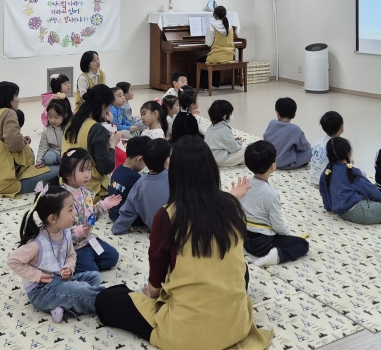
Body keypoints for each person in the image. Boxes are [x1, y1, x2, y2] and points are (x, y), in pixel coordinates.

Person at [94, 136, 272, 350]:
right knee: (239, 268)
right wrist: (233, 197)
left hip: (187, 334)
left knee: (107, 299)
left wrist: (149, 293)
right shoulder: (232, 206)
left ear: (173, 170)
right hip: (236, 325)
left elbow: (155, 287)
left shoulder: (167, 216)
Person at [7, 183, 104, 323]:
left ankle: (61, 305)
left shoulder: (66, 232)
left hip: (61, 281)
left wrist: (69, 268)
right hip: (41, 292)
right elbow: (13, 261)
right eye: (70, 210)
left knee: (94, 277)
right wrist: (37, 275)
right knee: (76, 289)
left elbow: (71, 255)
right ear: (53, 218)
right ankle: (106, 300)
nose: (75, 213)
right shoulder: (37, 244)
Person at [0, 81, 58, 197]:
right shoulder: (8, 113)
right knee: (59, 170)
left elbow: (0, 141)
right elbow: (14, 145)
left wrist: (20, 139)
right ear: (7, 98)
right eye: (16, 96)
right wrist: (21, 142)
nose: (18, 100)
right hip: (5, 183)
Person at [241, 140, 309, 266]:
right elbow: (277, 224)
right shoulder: (271, 194)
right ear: (273, 166)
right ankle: (275, 257)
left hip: (245, 239)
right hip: (263, 244)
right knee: (302, 244)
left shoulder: (244, 185)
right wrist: (286, 234)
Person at [59, 148, 121, 273]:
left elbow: (91, 217)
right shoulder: (60, 197)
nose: (87, 174)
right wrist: (78, 231)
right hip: (71, 246)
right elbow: (56, 230)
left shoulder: (87, 193)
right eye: (82, 170)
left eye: (89, 169)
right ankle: (71, 263)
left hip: (88, 240)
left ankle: (87, 263)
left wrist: (104, 205)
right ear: (68, 174)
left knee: (113, 257)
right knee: (91, 270)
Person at [319, 137, 381, 225]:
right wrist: (378, 201)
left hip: (342, 211)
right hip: (361, 212)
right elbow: (371, 191)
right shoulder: (352, 172)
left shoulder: (328, 169)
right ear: (349, 152)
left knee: (360, 180)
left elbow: (323, 188)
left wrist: (329, 207)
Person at [62, 84, 119, 200]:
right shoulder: (97, 130)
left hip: (66, 186)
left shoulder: (72, 122)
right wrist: (112, 144)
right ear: (103, 106)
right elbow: (106, 167)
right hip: (88, 190)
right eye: (108, 108)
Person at [112, 138, 172, 234]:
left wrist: (118, 228)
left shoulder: (140, 182)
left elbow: (128, 209)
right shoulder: (174, 178)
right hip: (175, 229)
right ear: (167, 161)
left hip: (154, 228)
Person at [108, 136, 151, 221]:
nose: (145, 166)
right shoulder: (135, 177)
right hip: (127, 218)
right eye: (145, 162)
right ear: (139, 159)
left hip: (114, 213)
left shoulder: (117, 170)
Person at [263, 97, 312, 169]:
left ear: (277, 113)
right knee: (313, 151)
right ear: (294, 115)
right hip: (286, 164)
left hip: (270, 161)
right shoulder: (295, 129)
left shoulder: (272, 123)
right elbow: (305, 147)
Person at [200, 6, 237, 88]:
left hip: (217, 56)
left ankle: (205, 86)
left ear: (215, 15)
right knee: (215, 58)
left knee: (202, 60)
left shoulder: (212, 25)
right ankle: (216, 83)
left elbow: (209, 43)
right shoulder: (229, 26)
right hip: (229, 56)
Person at [205, 99, 245, 167]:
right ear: (224, 116)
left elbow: (221, 141)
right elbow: (234, 148)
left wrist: (233, 140)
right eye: (230, 113)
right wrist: (239, 142)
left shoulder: (211, 127)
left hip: (210, 157)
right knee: (246, 152)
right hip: (219, 160)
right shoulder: (223, 129)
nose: (231, 115)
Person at [310, 111, 344, 186]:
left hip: (314, 178)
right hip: (327, 181)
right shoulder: (338, 145)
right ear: (342, 127)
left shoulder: (319, 142)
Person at [36, 99, 70, 168]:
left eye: (56, 117)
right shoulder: (46, 130)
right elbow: (42, 147)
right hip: (54, 153)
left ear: (65, 116)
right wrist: (39, 160)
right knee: (48, 158)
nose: (52, 120)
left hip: (68, 153)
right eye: (50, 117)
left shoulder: (70, 128)